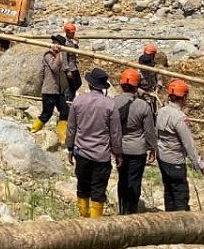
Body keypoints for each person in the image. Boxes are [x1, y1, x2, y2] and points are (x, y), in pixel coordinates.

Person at [65, 67, 122, 217]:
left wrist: (70, 148)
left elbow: (71, 127)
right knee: (98, 190)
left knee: (82, 187)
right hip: (101, 155)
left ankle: (83, 218)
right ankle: (95, 224)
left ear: (89, 84)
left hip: (81, 152)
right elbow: (115, 132)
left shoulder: (78, 101)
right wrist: (117, 153)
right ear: (103, 87)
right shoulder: (110, 104)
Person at [155, 79, 204, 211]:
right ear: (183, 98)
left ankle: (169, 222)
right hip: (175, 161)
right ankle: (181, 225)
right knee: (180, 195)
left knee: (169, 191)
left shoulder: (161, 111)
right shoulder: (179, 118)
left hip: (162, 158)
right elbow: (189, 144)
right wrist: (200, 165)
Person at [113, 68, 158, 215]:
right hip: (138, 149)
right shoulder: (143, 105)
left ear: (121, 85)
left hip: (120, 148)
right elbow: (149, 130)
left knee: (122, 179)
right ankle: (131, 212)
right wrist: (153, 148)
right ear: (136, 86)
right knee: (134, 181)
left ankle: (122, 210)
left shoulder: (113, 103)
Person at [32, 36, 70, 144]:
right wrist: (59, 54)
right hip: (49, 90)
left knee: (65, 112)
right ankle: (33, 130)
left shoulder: (60, 56)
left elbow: (63, 67)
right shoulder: (48, 55)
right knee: (46, 114)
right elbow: (54, 67)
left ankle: (63, 137)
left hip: (59, 90)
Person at [62, 23, 81, 101]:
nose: (73, 34)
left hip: (74, 66)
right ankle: (68, 99)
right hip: (70, 68)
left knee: (78, 83)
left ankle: (70, 97)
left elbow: (75, 51)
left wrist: (76, 43)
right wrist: (67, 70)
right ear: (67, 32)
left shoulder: (71, 42)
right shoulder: (65, 43)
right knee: (72, 85)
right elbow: (64, 57)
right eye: (72, 32)